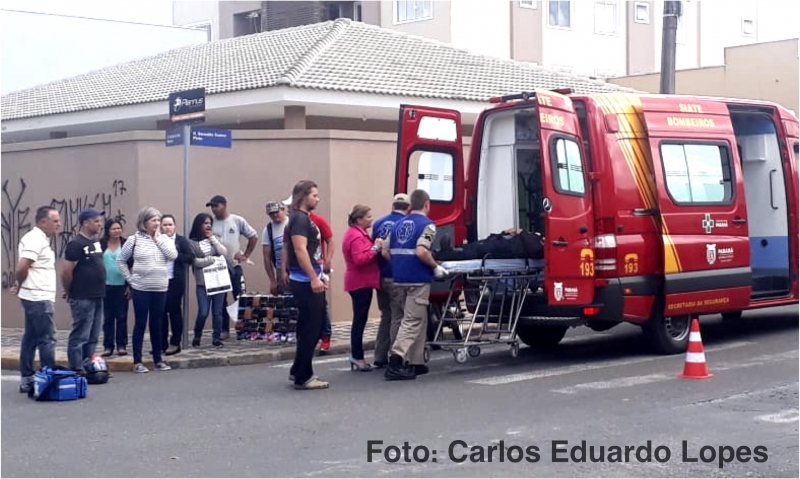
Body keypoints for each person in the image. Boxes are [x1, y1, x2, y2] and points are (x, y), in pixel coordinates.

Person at [383, 189, 448, 381]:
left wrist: (399, 264)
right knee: (412, 321)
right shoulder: (428, 226)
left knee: (415, 318)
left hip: (399, 278)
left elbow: (385, 251)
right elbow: (421, 251)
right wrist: (435, 266)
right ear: (427, 204)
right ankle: (396, 360)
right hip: (417, 279)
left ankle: (416, 361)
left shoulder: (397, 224)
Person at [116, 206, 178, 373]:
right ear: (144, 222)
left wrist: (158, 239)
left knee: (157, 323)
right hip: (141, 288)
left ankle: (158, 359)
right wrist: (130, 279)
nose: (157, 223)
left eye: (158, 220)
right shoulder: (134, 239)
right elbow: (121, 260)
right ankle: (138, 361)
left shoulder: (164, 239)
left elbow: (173, 256)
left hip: (160, 287)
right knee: (140, 323)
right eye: (153, 220)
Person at [11, 206, 61, 394]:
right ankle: (49, 379)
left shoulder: (41, 239)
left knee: (31, 338)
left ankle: (27, 379)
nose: (58, 225)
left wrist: (20, 284)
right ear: (42, 222)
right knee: (47, 339)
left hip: (36, 295)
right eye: (55, 221)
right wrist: (19, 282)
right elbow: (22, 266)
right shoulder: (34, 239)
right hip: (38, 297)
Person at [286, 180, 330, 390]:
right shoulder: (299, 219)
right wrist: (313, 278)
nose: (317, 199)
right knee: (312, 328)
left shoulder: (303, 218)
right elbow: (300, 250)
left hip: (310, 278)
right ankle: (304, 376)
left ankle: (297, 370)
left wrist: (320, 276)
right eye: (314, 195)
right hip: (305, 281)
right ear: (303, 196)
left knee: (308, 327)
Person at [206, 195, 258, 340]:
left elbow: (253, 236)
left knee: (240, 296)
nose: (214, 209)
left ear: (224, 205)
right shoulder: (210, 223)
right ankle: (224, 329)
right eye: (212, 206)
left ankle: (244, 327)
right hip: (218, 267)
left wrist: (246, 255)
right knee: (221, 299)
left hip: (234, 265)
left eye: (216, 206)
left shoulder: (237, 220)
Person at [61, 209, 106, 373]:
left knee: (93, 335)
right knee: (80, 334)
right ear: (85, 223)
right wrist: (68, 290)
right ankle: (76, 368)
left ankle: (89, 366)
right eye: (96, 221)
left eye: (100, 221)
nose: (100, 224)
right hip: (82, 296)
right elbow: (66, 271)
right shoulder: (76, 244)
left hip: (98, 294)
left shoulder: (95, 242)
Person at [371, 193, 410, 368]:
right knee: (397, 316)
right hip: (396, 276)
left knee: (385, 316)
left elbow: (375, 246)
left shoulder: (379, 223)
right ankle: (396, 356)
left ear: (393, 205)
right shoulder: (404, 224)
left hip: (380, 276)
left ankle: (379, 355)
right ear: (408, 207)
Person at [341, 204, 382, 372]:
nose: (371, 219)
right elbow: (360, 259)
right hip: (360, 282)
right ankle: (357, 356)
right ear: (359, 219)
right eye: (368, 216)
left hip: (360, 281)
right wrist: (376, 248)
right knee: (359, 320)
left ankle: (357, 356)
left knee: (360, 319)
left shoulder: (357, 234)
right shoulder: (356, 236)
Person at [188, 213, 229, 348]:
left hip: (218, 282)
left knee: (217, 312)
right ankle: (197, 335)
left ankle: (216, 338)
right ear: (199, 224)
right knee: (203, 312)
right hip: (203, 283)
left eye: (210, 223)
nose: (208, 225)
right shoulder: (192, 242)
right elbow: (194, 261)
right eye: (205, 223)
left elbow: (223, 252)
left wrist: (212, 239)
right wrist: (210, 260)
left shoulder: (214, 238)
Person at [160, 214, 194, 356]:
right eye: (165, 225)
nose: (167, 227)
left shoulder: (180, 241)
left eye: (170, 224)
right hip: (159, 280)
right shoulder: (157, 240)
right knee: (160, 313)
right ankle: (162, 344)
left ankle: (175, 342)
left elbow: (190, 256)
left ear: (174, 226)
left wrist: (175, 255)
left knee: (174, 311)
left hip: (175, 280)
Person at [100, 218, 130, 357]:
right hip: (105, 286)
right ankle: (108, 346)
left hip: (122, 286)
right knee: (108, 318)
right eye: (113, 228)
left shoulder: (126, 244)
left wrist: (130, 285)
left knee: (122, 316)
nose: (117, 231)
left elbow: (132, 265)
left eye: (119, 228)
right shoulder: (101, 244)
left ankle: (122, 345)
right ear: (108, 231)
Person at [261, 201, 289, 295]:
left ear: (283, 210)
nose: (275, 215)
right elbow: (266, 257)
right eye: (271, 214)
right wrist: (272, 280)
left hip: (297, 268)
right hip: (280, 270)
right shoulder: (268, 230)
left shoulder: (292, 222)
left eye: (277, 212)